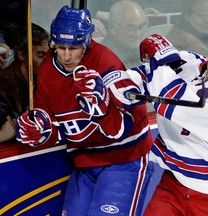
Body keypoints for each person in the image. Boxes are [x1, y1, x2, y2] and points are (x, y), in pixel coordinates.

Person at [15, 6, 154, 216]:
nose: (67, 56)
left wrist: (102, 108)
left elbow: (122, 128)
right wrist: (38, 127)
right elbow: (49, 117)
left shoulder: (105, 62)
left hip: (125, 159)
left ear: (87, 42)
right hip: (85, 161)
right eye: (61, 47)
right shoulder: (46, 70)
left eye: (74, 48)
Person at [117, 29, 208, 215]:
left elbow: (167, 98)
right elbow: (146, 75)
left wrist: (159, 58)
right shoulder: (193, 61)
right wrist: (110, 84)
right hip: (176, 183)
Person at [0, 23, 49, 143]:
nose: (48, 62)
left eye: (49, 56)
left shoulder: (43, 80)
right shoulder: (2, 88)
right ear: (22, 55)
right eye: (41, 55)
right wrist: (1, 136)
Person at [101, 0, 148, 69]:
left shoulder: (141, 52)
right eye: (131, 29)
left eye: (141, 27)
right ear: (112, 28)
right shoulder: (100, 60)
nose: (138, 34)